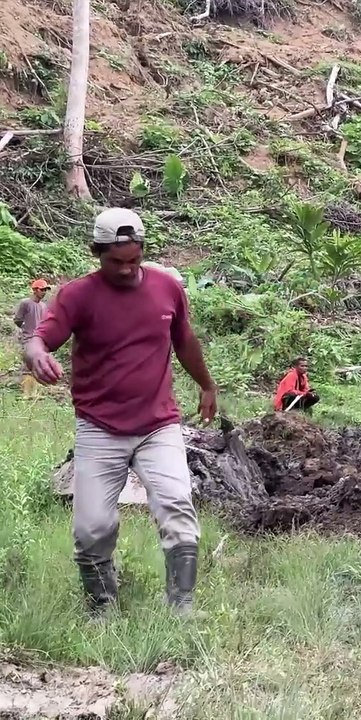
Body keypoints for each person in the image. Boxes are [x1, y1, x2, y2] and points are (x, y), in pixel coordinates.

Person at [24, 208, 218, 617]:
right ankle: (103, 606)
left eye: (135, 260)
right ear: (97, 253)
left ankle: (182, 604)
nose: (128, 270)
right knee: (92, 527)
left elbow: (183, 341)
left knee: (177, 508)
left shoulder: (167, 287)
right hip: (99, 427)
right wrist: (36, 355)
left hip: (157, 425)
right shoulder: (77, 295)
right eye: (117, 262)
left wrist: (206, 384)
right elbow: (41, 339)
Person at [14, 278, 50, 399]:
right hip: (28, 338)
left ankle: (34, 394)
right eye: (42, 289)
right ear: (35, 290)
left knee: (37, 366)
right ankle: (25, 394)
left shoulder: (44, 306)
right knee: (27, 366)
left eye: (45, 290)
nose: (44, 292)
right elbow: (18, 319)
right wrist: (26, 328)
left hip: (39, 340)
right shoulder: (25, 303)